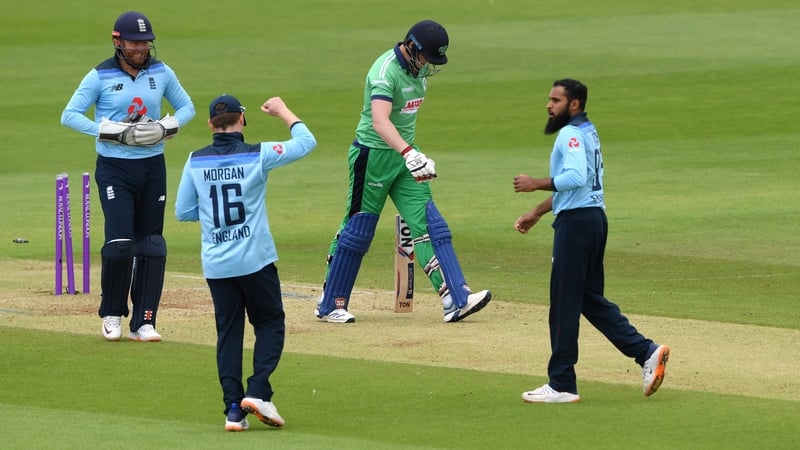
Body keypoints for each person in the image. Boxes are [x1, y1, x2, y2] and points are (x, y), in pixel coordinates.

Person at [315, 19, 492, 324]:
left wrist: (413, 155)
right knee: (358, 228)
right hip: (372, 157)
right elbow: (380, 120)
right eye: (427, 57)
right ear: (411, 47)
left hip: (404, 158)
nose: (429, 65)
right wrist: (409, 153)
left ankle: (456, 298)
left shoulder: (419, 70)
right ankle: (331, 302)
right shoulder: (384, 71)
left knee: (431, 224)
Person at [512, 79, 670, 403]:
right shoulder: (588, 130)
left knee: (564, 304)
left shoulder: (570, 134)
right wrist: (539, 212)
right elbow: (578, 188)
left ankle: (561, 384)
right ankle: (646, 352)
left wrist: (535, 184)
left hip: (577, 226)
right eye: (549, 99)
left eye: (556, 100)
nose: (548, 105)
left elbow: (575, 178)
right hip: (593, 219)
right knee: (587, 300)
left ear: (574, 104)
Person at [175, 94, 316, 431]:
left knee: (229, 334)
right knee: (269, 322)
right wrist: (282, 111)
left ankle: (233, 412)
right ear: (242, 119)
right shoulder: (259, 154)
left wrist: (211, 217)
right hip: (255, 260)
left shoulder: (194, 160)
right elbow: (306, 142)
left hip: (217, 264)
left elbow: (183, 211)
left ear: (211, 125)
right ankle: (257, 391)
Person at [61, 11, 195, 342]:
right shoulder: (99, 76)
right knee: (120, 245)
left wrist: (164, 128)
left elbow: (187, 107)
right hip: (115, 168)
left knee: (152, 245)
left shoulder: (161, 72)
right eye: (135, 43)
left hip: (153, 167)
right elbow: (70, 115)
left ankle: (144, 320)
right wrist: (108, 132)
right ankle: (112, 313)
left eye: (145, 43)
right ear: (117, 41)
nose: (141, 49)